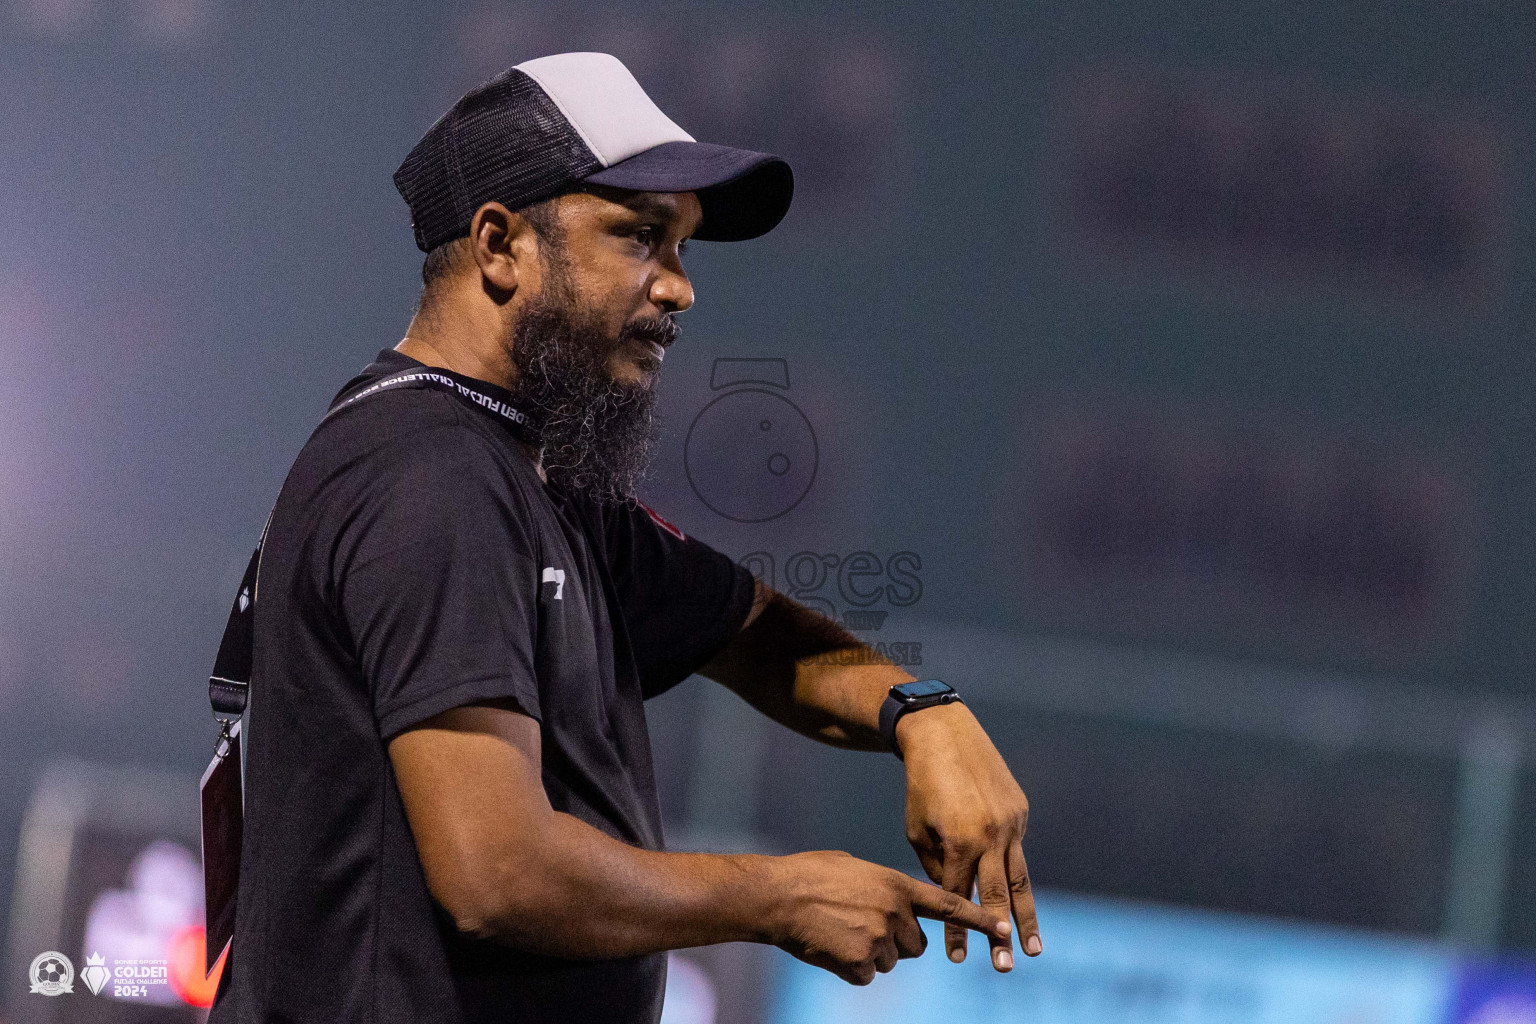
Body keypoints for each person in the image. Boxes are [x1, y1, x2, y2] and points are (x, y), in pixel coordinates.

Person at [207, 52, 1039, 1024]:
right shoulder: (431, 479)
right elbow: (498, 870)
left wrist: (925, 713)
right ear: (500, 244)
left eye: (682, 247)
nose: (680, 289)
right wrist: (778, 895)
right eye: (641, 236)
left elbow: (757, 634)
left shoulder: (521, 475)